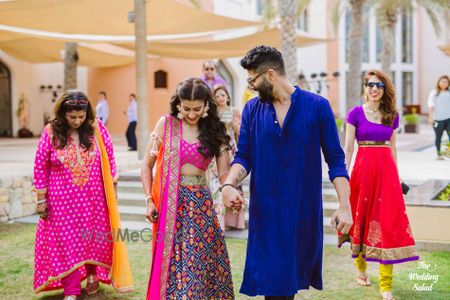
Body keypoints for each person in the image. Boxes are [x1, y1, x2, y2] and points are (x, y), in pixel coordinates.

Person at [221, 45, 353, 299]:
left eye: (252, 80)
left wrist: (345, 205)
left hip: (303, 215)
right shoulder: (251, 110)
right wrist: (228, 184)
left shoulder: (318, 107)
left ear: (270, 75)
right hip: (266, 216)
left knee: (285, 289)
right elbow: (244, 157)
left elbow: (335, 160)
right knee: (276, 290)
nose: (250, 86)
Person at [142, 78, 237, 299]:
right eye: (186, 109)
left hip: (201, 209)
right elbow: (146, 166)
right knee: (174, 268)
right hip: (170, 207)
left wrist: (229, 189)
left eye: (197, 109)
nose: (191, 114)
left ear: (207, 106)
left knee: (197, 265)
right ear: (178, 104)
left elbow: (224, 173)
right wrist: (149, 199)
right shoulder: (165, 125)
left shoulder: (215, 130)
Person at [33, 90, 133, 299]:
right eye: (72, 117)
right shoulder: (51, 131)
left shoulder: (97, 129)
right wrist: (41, 199)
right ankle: (71, 289)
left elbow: (110, 159)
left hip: (94, 197)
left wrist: (112, 191)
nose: (77, 121)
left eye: (81, 116)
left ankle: (92, 275)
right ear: (63, 113)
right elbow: (40, 165)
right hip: (61, 200)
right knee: (66, 242)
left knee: (91, 238)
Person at [342, 70, 419, 300]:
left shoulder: (392, 115)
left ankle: (386, 286)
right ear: (364, 88)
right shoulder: (355, 114)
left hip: (386, 177)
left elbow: (392, 148)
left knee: (386, 226)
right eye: (369, 84)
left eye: (379, 85)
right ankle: (362, 272)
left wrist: (396, 178)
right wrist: (342, 176)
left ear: (385, 89)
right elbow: (348, 148)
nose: (374, 89)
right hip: (362, 175)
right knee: (361, 224)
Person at [206, 85, 245, 230]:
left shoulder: (234, 111)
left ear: (227, 96)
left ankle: (235, 221)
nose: (220, 98)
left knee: (233, 181)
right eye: (217, 96)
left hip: (231, 148)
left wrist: (236, 127)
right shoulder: (212, 113)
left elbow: (240, 131)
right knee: (216, 182)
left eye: (223, 95)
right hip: (217, 149)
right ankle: (219, 220)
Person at [427, 75, 450, 160]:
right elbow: (430, 105)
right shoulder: (434, 92)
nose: (444, 83)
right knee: (438, 137)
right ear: (439, 82)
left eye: (446, 82)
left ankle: (448, 152)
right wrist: (430, 117)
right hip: (438, 119)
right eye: (442, 81)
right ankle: (439, 154)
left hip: (449, 119)